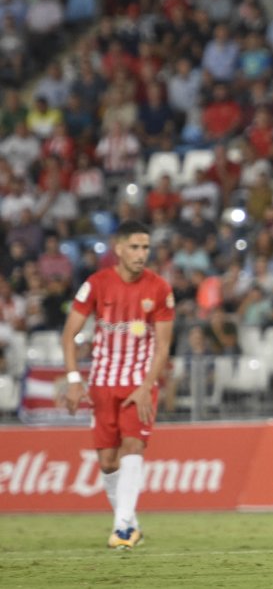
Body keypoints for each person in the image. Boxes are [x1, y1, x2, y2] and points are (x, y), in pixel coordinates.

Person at [62, 221, 175, 550]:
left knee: (133, 448)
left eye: (146, 248)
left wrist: (147, 386)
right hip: (102, 384)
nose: (142, 254)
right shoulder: (96, 284)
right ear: (119, 249)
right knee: (108, 462)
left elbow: (163, 346)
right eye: (136, 247)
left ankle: (122, 529)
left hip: (139, 384)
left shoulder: (160, 289)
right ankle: (131, 523)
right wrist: (73, 380)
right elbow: (69, 335)